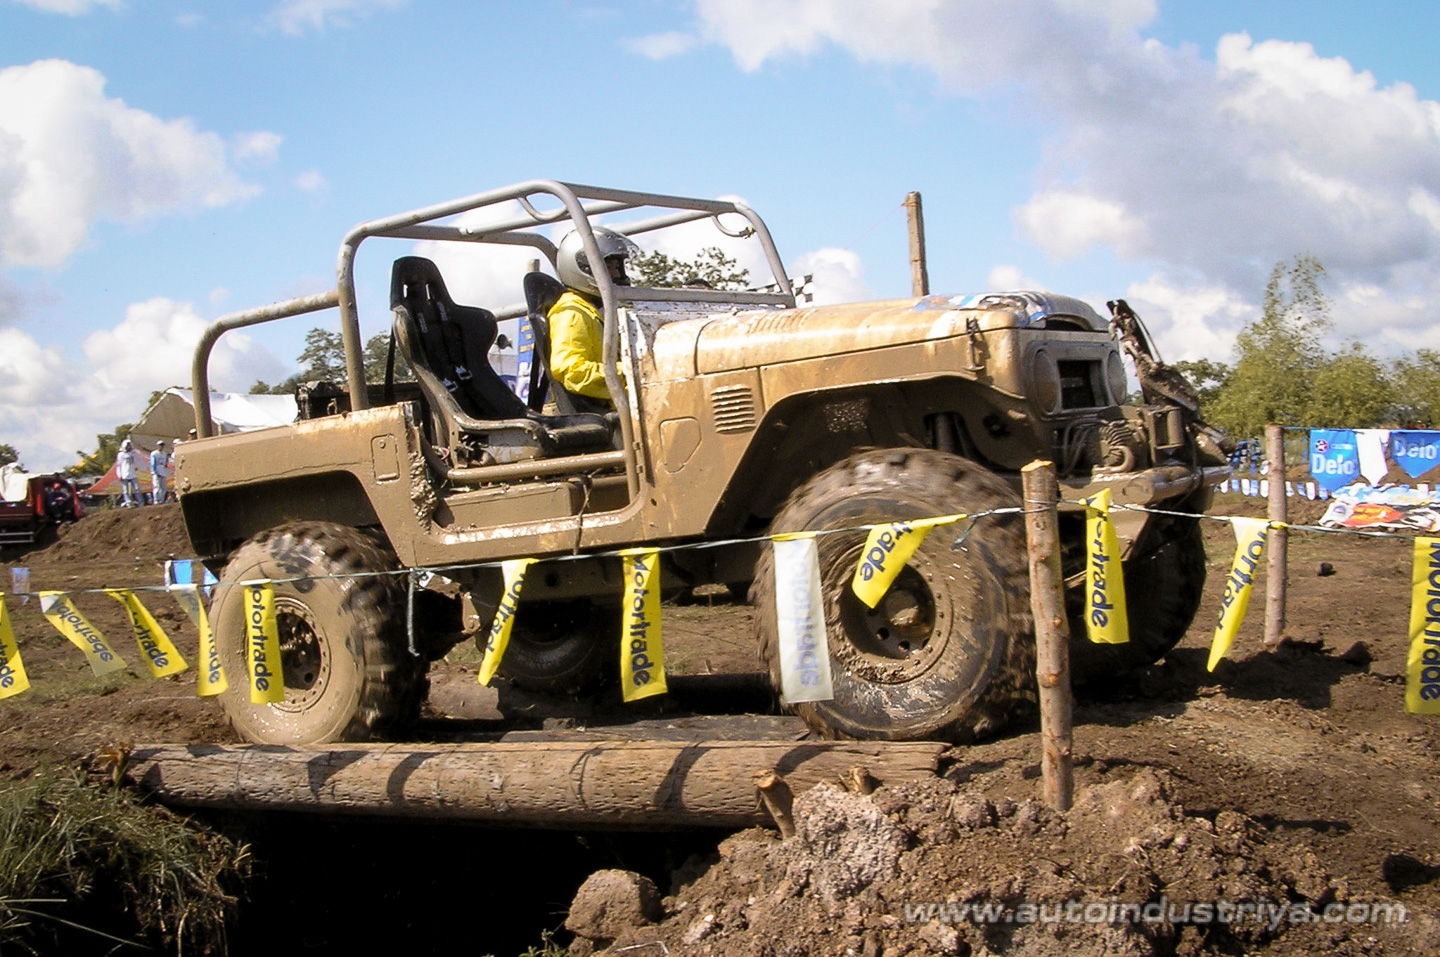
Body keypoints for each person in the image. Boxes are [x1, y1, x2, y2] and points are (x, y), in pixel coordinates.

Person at [548, 227, 639, 407]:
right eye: (607, 267)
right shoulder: (572, 312)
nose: (617, 275)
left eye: (617, 267)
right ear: (582, 268)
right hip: (610, 415)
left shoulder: (600, 310)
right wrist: (633, 371)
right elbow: (570, 371)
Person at [115, 439, 142, 507]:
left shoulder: (133, 454)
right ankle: (128, 502)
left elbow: (138, 461)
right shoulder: (121, 455)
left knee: (137, 489)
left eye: (129, 445)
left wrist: (137, 467)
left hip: (132, 473)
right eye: (127, 446)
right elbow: (119, 465)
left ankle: (140, 502)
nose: (128, 447)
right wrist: (119, 474)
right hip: (124, 474)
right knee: (125, 490)